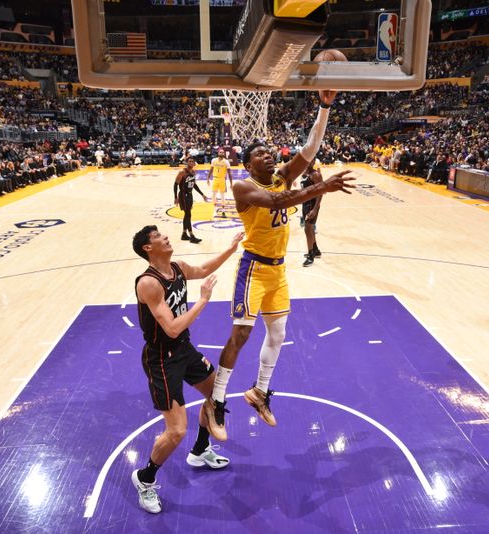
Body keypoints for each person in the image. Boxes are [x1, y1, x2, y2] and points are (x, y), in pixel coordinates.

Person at [203, 90, 356, 441]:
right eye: (260, 153)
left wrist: (325, 106)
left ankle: (259, 392)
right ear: (248, 163)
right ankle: (216, 400)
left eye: (269, 151)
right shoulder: (244, 187)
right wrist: (323, 189)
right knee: (241, 334)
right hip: (253, 269)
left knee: (278, 333)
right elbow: (277, 201)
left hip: (278, 271)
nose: (268, 155)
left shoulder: (283, 174)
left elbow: (310, 148)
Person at [130, 225, 243, 514]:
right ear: (148, 248)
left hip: (184, 349)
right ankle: (145, 478)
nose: (165, 237)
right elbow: (171, 327)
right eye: (158, 237)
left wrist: (231, 248)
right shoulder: (149, 283)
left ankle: (200, 450)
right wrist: (203, 299)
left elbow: (203, 268)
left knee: (216, 392)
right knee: (177, 430)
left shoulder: (177, 267)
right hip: (162, 360)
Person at [173, 157, 207, 244]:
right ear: (187, 162)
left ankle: (184, 234)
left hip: (190, 195)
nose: (191, 163)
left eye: (193, 161)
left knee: (187, 215)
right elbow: (175, 184)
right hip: (183, 195)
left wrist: (202, 194)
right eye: (190, 161)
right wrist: (175, 197)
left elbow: (194, 185)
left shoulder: (193, 172)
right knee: (188, 214)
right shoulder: (182, 172)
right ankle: (191, 236)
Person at [300, 161, 323, 267]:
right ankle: (315, 250)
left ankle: (310, 256)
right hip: (305, 204)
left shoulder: (316, 175)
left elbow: (320, 193)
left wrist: (315, 209)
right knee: (310, 228)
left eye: (310, 160)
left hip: (312, 205)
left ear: (313, 162)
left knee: (307, 229)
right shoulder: (304, 173)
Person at [208, 151, 233, 217]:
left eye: (222, 152)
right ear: (218, 153)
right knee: (213, 195)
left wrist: (231, 183)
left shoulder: (226, 162)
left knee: (222, 196)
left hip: (222, 179)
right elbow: (211, 169)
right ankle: (215, 209)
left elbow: (230, 173)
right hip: (215, 179)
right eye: (220, 152)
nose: (221, 153)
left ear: (224, 154)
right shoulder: (214, 160)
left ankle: (223, 211)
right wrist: (208, 178)